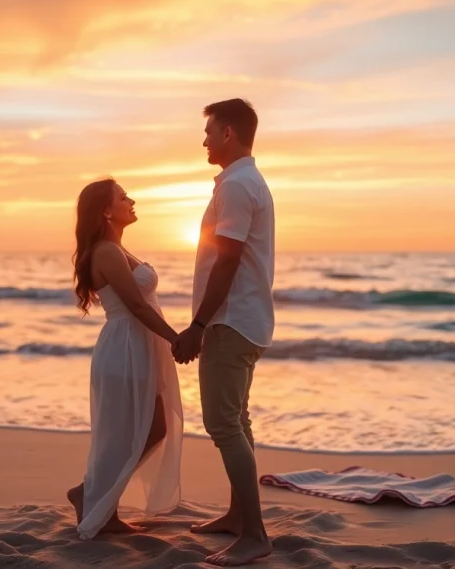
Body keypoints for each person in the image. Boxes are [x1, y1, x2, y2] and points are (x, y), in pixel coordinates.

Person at [173, 98, 275, 566]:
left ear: (229, 132)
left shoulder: (236, 185)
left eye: (209, 132)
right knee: (238, 420)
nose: (205, 141)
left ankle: (254, 534)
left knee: (222, 424)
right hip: (244, 319)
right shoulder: (246, 181)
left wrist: (198, 325)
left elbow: (228, 260)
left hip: (231, 320)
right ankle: (239, 517)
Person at [67, 177, 184, 540]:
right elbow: (135, 305)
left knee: (153, 428)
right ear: (105, 211)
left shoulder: (117, 248)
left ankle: (91, 495)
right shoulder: (106, 251)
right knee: (123, 434)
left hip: (138, 346)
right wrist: (176, 339)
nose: (131, 201)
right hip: (125, 348)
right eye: (122, 197)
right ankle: (97, 502)